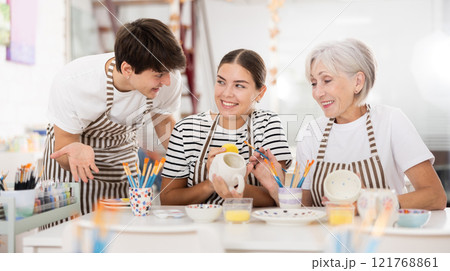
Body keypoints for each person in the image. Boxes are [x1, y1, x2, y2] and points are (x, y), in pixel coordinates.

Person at [258, 38, 446, 210]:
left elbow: (435, 196)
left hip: (382, 241)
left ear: (357, 82)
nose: (317, 93)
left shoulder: (390, 121)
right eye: (314, 83)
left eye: (327, 80)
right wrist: (276, 187)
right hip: (326, 243)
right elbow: (304, 208)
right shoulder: (312, 132)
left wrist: (369, 204)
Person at [42, 18, 186, 215]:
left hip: (122, 164)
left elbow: (164, 123)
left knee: (122, 233)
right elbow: (63, 147)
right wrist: (74, 152)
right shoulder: (74, 82)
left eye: (169, 73)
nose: (168, 81)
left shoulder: (168, 78)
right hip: (74, 172)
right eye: (159, 75)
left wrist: (188, 158)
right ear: (127, 69)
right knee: (72, 237)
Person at [160, 49, 292, 206]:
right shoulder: (185, 129)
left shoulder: (267, 125)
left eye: (239, 86)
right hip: (198, 227)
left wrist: (235, 187)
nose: (227, 93)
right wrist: (211, 184)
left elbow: (277, 197)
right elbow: (167, 198)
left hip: (252, 227)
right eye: (221, 82)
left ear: (260, 93)